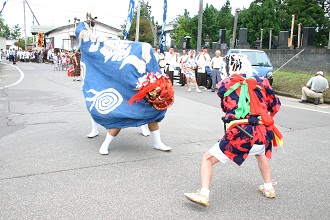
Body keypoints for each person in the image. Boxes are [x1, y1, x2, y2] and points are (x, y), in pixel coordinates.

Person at [184, 53, 282, 207]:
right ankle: (269, 187)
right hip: (262, 134)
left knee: (207, 159)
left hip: (240, 134)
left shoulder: (225, 83)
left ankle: (203, 194)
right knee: (259, 153)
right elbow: (275, 106)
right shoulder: (262, 82)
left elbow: (226, 107)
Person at [76, 22, 174, 155]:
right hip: (126, 94)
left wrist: (156, 86)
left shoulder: (148, 60)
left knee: (153, 117)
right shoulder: (127, 60)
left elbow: (156, 74)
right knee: (120, 117)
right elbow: (124, 77)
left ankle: (157, 142)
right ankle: (105, 145)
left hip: (143, 95)